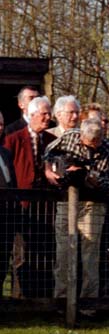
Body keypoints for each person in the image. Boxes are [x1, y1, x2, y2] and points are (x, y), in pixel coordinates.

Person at [44, 118, 109, 303]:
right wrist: (51, 169)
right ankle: (61, 301)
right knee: (63, 253)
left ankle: (88, 303)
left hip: (93, 204)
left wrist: (94, 179)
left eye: (97, 144)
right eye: (89, 144)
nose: (93, 148)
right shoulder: (68, 137)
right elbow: (48, 152)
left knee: (90, 256)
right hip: (66, 201)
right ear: (81, 136)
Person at [2, 96, 58, 297]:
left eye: (49, 113)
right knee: (21, 253)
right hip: (22, 206)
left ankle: (41, 297)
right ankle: (19, 298)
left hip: (45, 208)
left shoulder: (52, 142)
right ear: (31, 115)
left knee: (42, 252)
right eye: (43, 114)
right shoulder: (14, 139)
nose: (47, 118)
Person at [0, 116, 17, 297]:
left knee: (3, 262)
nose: (0, 128)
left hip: (6, 216)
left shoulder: (5, 152)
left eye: (2, 124)